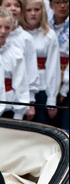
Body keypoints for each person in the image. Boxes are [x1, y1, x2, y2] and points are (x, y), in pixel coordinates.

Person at [20, 0, 60, 125]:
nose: (33, 14)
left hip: (42, 89)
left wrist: (52, 99)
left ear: (42, 11)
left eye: (37, 10)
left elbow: (53, 67)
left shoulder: (49, 35)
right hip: (22, 88)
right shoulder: (19, 34)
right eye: (29, 10)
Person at [0, 0, 39, 120]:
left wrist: (29, 102)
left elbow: (30, 71)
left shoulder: (25, 38)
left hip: (14, 99)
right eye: (8, 5)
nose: (13, 8)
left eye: (17, 5)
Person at [0, 7, 30, 119]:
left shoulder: (16, 53)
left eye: (7, 27)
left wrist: (19, 114)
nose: (3, 31)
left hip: (8, 109)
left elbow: (21, 84)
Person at [48, 0, 69, 131]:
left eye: (66, 2)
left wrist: (64, 88)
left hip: (66, 77)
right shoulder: (46, 24)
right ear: (50, 5)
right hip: (49, 75)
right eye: (57, 2)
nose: (62, 6)